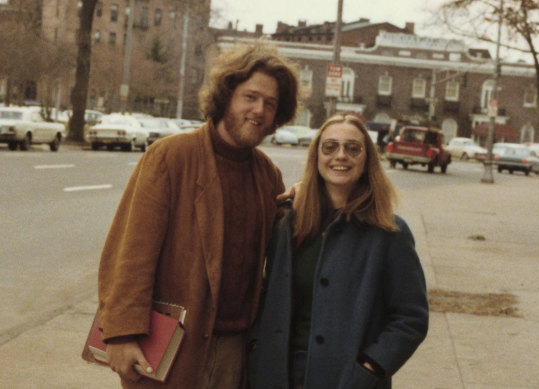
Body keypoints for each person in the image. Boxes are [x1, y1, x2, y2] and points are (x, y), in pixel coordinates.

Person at [97, 41, 299, 389]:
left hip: (236, 353)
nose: (259, 110)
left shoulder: (268, 176)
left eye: (270, 104)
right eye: (250, 97)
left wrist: (308, 202)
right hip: (170, 349)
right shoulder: (171, 157)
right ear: (226, 95)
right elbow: (130, 253)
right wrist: (120, 335)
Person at [248, 114, 429, 389]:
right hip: (278, 374)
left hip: (348, 379)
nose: (340, 156)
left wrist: (370, 367)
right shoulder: (289, 223)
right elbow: (267, 290)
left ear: (367, 159)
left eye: (353, 148)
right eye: (330, 147)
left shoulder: (390, 233)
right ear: (316, 157)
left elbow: (411, 319)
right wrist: (255, 346)